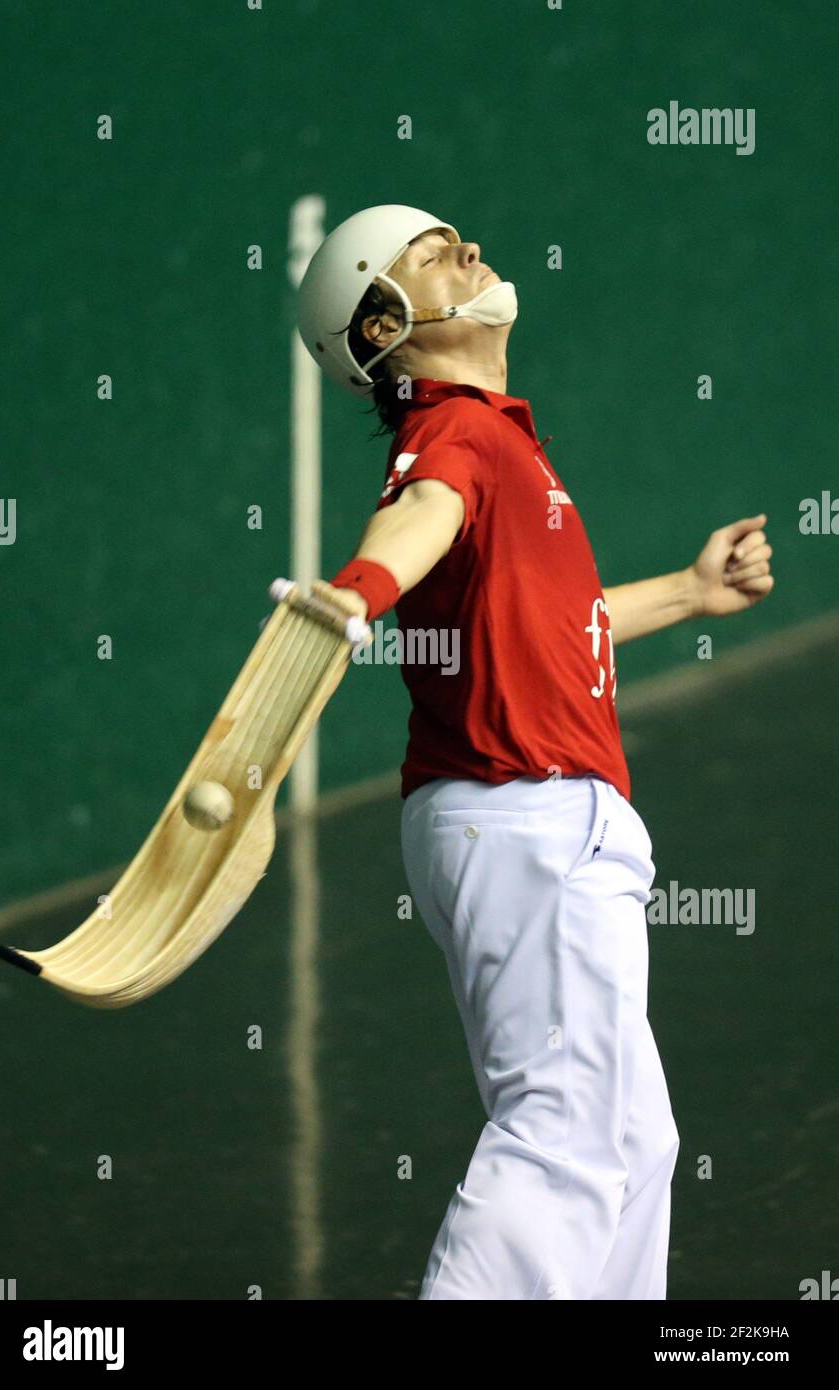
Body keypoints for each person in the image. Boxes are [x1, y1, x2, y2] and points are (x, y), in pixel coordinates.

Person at [297, 205, 774, 1300]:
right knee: (562, 1125)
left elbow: (553, 623)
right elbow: (415, 518)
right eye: (429, 255)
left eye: (456, 236)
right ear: (383, 327)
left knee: (632, 1138)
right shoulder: (452, 434)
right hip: (518, 809)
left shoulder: (500, 438)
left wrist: (691, 594)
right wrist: (358, 594)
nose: (466, 250)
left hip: (541, 813)